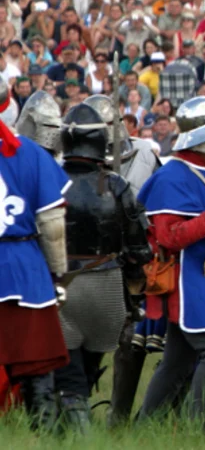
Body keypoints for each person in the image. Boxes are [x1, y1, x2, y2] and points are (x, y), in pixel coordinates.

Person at [135, 96, 205, 427]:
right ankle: (192, 429)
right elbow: (170, 237)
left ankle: (145, 427)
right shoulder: (172, 176)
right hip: (188, 280)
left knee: (177, 361)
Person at [53, 104, 153, 430]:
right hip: (106, 287)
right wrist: (135, 288)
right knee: (85, 367)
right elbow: (140, 248)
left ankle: (76, 433)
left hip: (60, 287)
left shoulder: (48, 180)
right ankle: (69, 429)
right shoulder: (116, 186)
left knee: (68, 371)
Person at [0, 104, 72, 429]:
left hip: (21, 264)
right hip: (24, 269)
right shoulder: (30, 152)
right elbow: (53, 224)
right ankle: (41, 431)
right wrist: (57, 274)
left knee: (36, 358)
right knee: (35, 362)